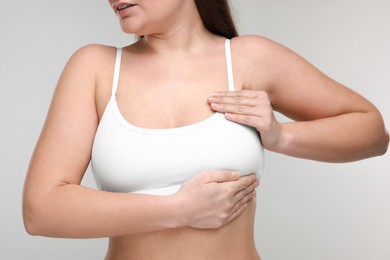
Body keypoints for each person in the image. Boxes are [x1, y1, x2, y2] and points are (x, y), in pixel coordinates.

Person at [22, 0, 389, 259]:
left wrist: (281, 135)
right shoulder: (96, 67)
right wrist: (179, 209)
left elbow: (372, 131)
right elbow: (41, 210)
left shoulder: (249, 58)